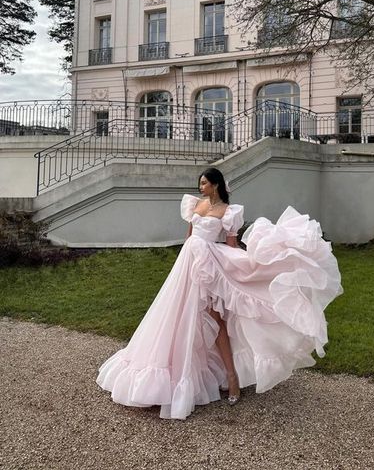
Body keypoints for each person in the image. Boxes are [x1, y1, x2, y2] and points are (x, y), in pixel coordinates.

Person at [97, 167, 343, 420]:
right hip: (188, 265)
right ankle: (171, 374)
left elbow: (231, 245)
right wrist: (183, 265)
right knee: (178, 316)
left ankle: (232, 377)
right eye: (200, 183)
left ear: (216, 185)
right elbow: (190, 237)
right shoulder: (196, 204)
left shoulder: (229, 212)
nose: (200, 187)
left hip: (212, 267)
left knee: (216, 320)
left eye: (204, 183)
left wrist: (247, 266)